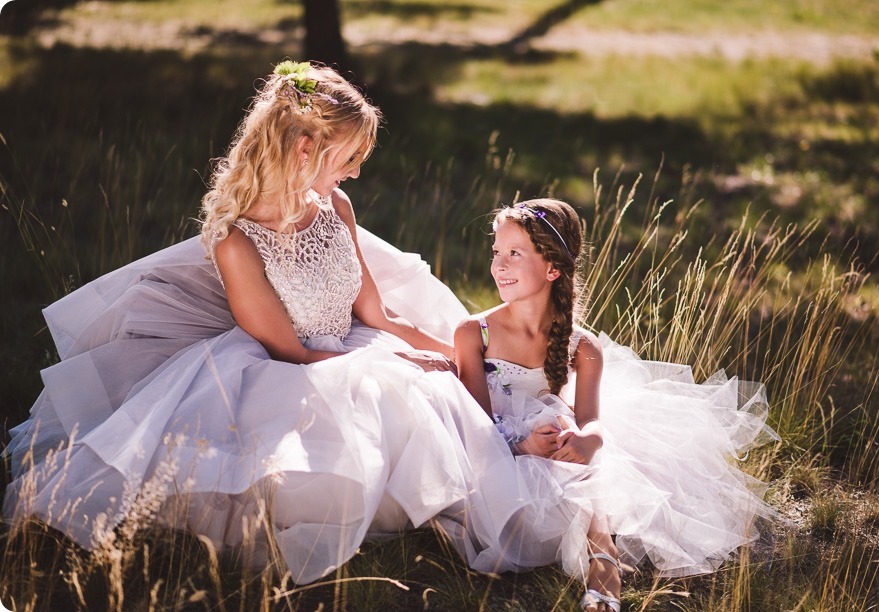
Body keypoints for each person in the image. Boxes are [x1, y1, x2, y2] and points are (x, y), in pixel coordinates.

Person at [2, 61, 525, 585]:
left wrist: (464, 353)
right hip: (295, 370)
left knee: (439, 379)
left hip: (351, 343)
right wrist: (392, 362)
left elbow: (377, 313)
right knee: (398, 390)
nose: (357, 172)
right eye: (349, 157)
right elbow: (291, 353)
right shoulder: (238, 240)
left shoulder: (336, 206)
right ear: (305, 149)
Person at [454, 199, 782, 611]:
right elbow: (475, 427)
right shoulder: (474, 333)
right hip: (497, 454)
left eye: (514, 254)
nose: (499, 265)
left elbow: (591, 420)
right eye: (496, 253)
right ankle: (600, 562)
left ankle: (603, 572)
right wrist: (522, 448)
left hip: (552, 443)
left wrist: (589, 440)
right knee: (566, 473)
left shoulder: (582, 346)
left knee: (593, 471)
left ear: (553, 269)